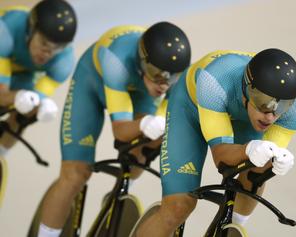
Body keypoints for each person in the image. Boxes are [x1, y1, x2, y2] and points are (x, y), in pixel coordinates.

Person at [36, 21, 191, 237]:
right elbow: (120, 132)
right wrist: (146, 124)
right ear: (143, 61)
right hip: (92, 84)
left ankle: (119, 194)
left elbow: (164, 121)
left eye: (171, 77)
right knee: (75, 175)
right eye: (157, 73)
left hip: (138, 91)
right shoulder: (116, 60)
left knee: (150, 141)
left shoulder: (176, 77)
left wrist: (154, 125)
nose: (163, 84)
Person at [135, 48, 296, 236]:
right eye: (263, 102)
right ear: (246, 90)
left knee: (254, 177)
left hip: (241, 116)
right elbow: (222, 159)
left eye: (282, 106)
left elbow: (261, 164)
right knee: (178, 207)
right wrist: (249, 149)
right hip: (189, 109)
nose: (270, 116)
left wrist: (276, 161)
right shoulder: (214, 82)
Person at [0, 0, 77, 154]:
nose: (47, 53)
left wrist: (39, 104)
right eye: (44, 43)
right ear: (30, 30)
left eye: (57, 48)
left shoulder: (64, 62)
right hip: (3, 56)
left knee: (26, 111)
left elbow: (33, 99)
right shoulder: (6, 30)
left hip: (22, 72)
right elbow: (1, 96)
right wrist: (18, 96)